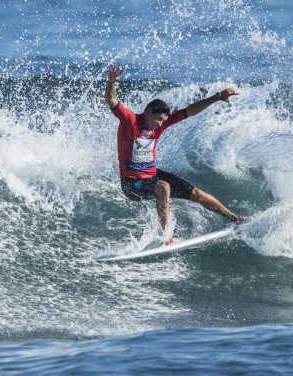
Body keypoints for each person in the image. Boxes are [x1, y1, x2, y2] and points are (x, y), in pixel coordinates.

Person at [105, 65, 244, 244]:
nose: (159, 125)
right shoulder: (129, 120)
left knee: (197, 193)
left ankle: (235, 218)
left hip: (151, 175)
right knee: (163, 186)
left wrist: (217, 97)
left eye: (162, 121)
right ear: (148, 111)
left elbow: (189, 111)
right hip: (132, 184)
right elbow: (111, 100)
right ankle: (167, 237)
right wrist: (111, 83)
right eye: (157, 120)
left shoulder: (161, 124)